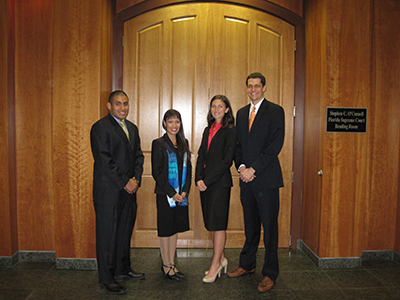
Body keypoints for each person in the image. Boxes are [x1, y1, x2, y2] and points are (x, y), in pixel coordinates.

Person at [227, 73, 285, 293]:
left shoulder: (275, 111)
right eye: (250, 86)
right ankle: (247, 264)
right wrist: (241, 167)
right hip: (246, 180)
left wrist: (254, 169)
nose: (253, 90)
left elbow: (275, 145)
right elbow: (238, 145)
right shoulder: (242, 113)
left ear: (264, 88)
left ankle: (270, 273)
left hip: (267, 179)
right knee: (250, 226)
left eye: (257, 86)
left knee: (269, 228)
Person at [90, 90, 145, 295]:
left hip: (129, 191)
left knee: (124, 231)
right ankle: (107, 278)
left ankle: (123, 269)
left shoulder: (132, 127)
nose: (123, 108)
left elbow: (138, 157)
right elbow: (104, 161)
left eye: (125, 104)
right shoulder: (100, 128)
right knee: (107, 235)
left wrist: (136, 180)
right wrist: (125, 182)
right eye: (118, 104)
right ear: (109, 106)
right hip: (109, 192)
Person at [195, 95, 237, 283]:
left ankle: (215, 265)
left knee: (218, 224)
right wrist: (198, 179)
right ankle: (221, 258)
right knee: (211, 223)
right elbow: (201, 156)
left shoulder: (231, 131)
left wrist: (208, 180)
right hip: (205, 183)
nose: (216, 109)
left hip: (219, 183)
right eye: (214, 106)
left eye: (220, 106)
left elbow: (227, 161)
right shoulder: (208, 129)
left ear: (227, 109)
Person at [151, 109, 191, 281]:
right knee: (165, 229)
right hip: (165, 194)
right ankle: (166, 265)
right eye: (170, 121)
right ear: (164, 123)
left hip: (180, 196)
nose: (174, 125)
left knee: (174, 228)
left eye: (177, 121)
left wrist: (184, 191)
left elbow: (188, 170)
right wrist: (172, 193)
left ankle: (172, 264)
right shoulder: (158, 143)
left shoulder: (184, 143)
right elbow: (157, 172)